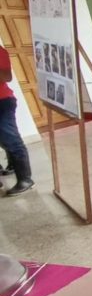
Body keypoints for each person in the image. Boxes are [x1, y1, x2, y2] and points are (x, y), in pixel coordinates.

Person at [0, 45, 35, 197]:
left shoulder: (0, 52)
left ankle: (25, 179)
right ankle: (10, 166)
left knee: (11, 140)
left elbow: (7, 77)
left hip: (2, 102)